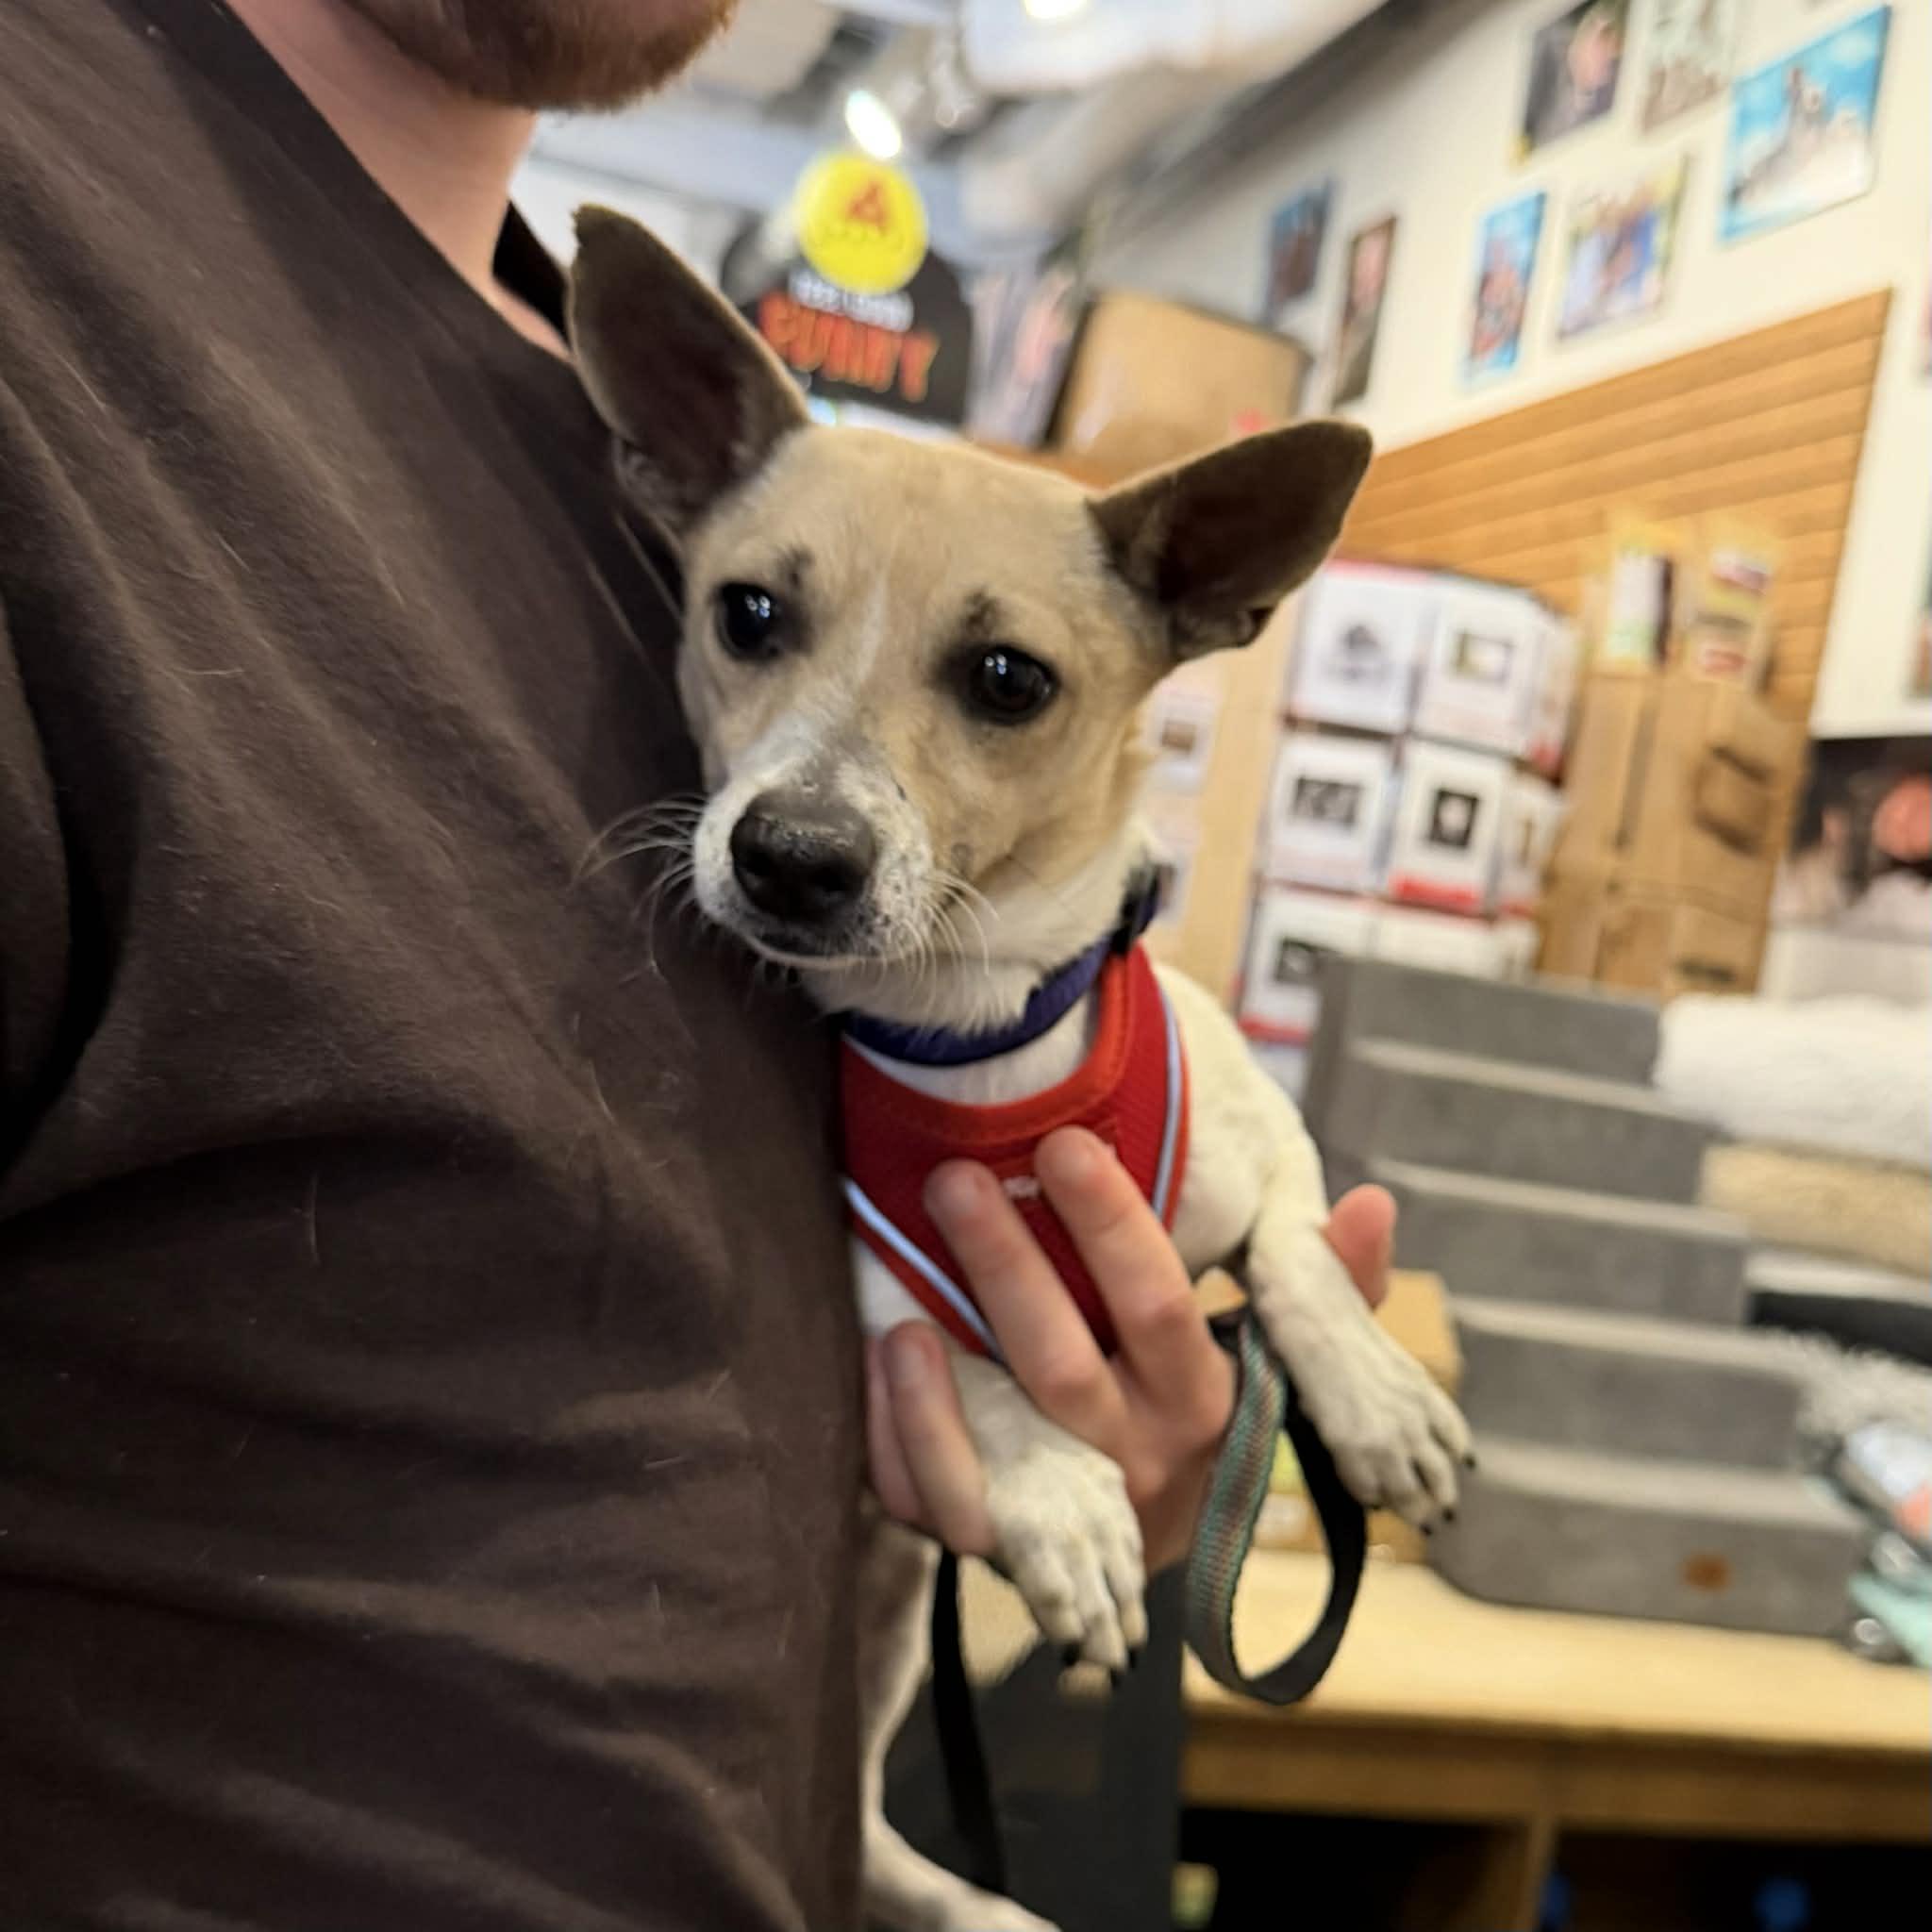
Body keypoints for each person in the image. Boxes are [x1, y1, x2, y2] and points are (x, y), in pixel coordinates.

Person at [0, 3, 1396, 1924]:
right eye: (758, 627)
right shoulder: (53, 288)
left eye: (994, 687)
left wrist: (1081, 1441)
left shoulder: (611, 434)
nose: (818, 797)